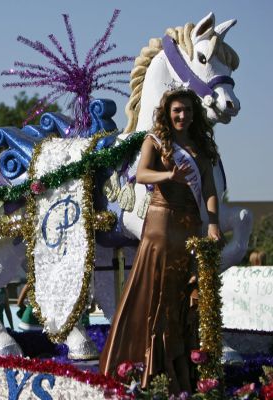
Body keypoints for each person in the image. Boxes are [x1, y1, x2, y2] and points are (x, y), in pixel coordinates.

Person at [99, 89, 223, 394]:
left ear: (195, 114)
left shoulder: (201, 147)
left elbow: (208, 188)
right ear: (168, 113)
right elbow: (141, 174)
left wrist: (214, 224)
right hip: (161, 221)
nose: (183, 116)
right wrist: (169, 176)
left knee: (181, 294)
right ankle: (146, 366)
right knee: (155, 291)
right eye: (177, 110)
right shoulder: (155, 140)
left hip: (188, 224)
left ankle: (182, 369)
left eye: (188, 111)